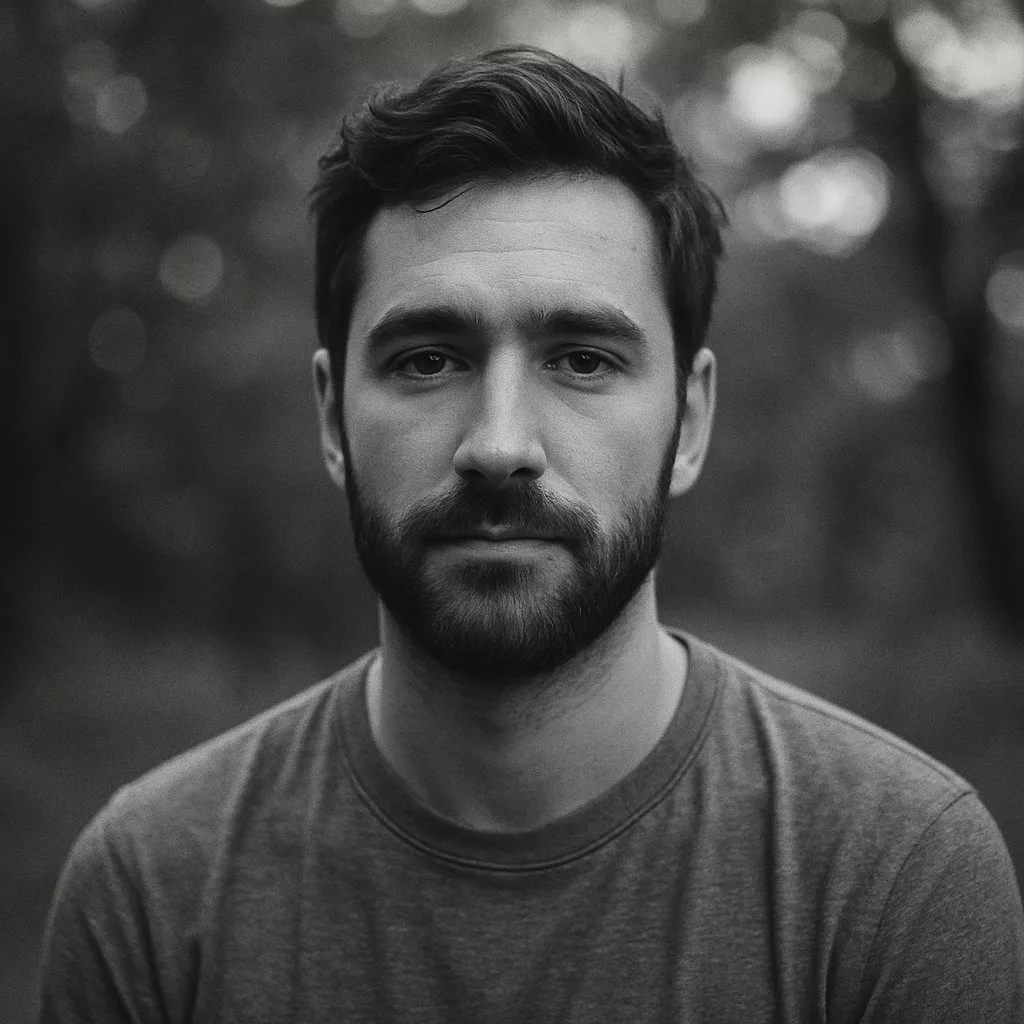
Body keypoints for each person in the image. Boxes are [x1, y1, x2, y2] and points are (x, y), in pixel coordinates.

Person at [40, 46, 1023, 1023]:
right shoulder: (151, 895)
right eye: (428, 359)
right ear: (333, 417)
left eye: (582, 359)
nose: (498, 446)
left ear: (690, 422)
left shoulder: (895, 878)